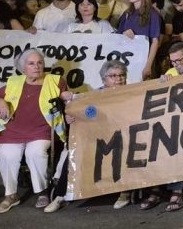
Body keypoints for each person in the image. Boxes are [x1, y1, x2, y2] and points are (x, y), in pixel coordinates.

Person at [46, 60, 132, 212]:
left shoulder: (134, 93)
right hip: (98, 137)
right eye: (113, 76)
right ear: (104, 80)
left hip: (125, 137)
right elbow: (85, 113)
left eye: (121, 75)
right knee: (74, 152)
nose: (118, 79)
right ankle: (60, 195)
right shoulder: (92, 96)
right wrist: (71, 117)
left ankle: (125, 192)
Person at [137, 42, 183, 212]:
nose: (175, 65)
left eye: (178, 61)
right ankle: (155, 189)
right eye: (173, 62)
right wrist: (162, 83)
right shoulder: (171, 72)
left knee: (178, 146)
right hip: (176, 122)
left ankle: (178, 191)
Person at [0, 49, 67, 214]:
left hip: (42, 130)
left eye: (39, 62)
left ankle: (42, 192)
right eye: (31, 63)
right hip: (13, 131)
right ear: (22, 68)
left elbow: (66, 102)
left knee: (35, 152)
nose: (37, 66)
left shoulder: (56, 81)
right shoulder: (14, 82)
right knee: (6, 155)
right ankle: (11, 195)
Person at [117, 0, 161, 80]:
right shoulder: (127, 13)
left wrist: (148, 65)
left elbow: (155, 41)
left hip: (144, 59)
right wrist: (124, 33)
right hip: (127, 57)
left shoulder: (152, 14)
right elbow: (118, 35)